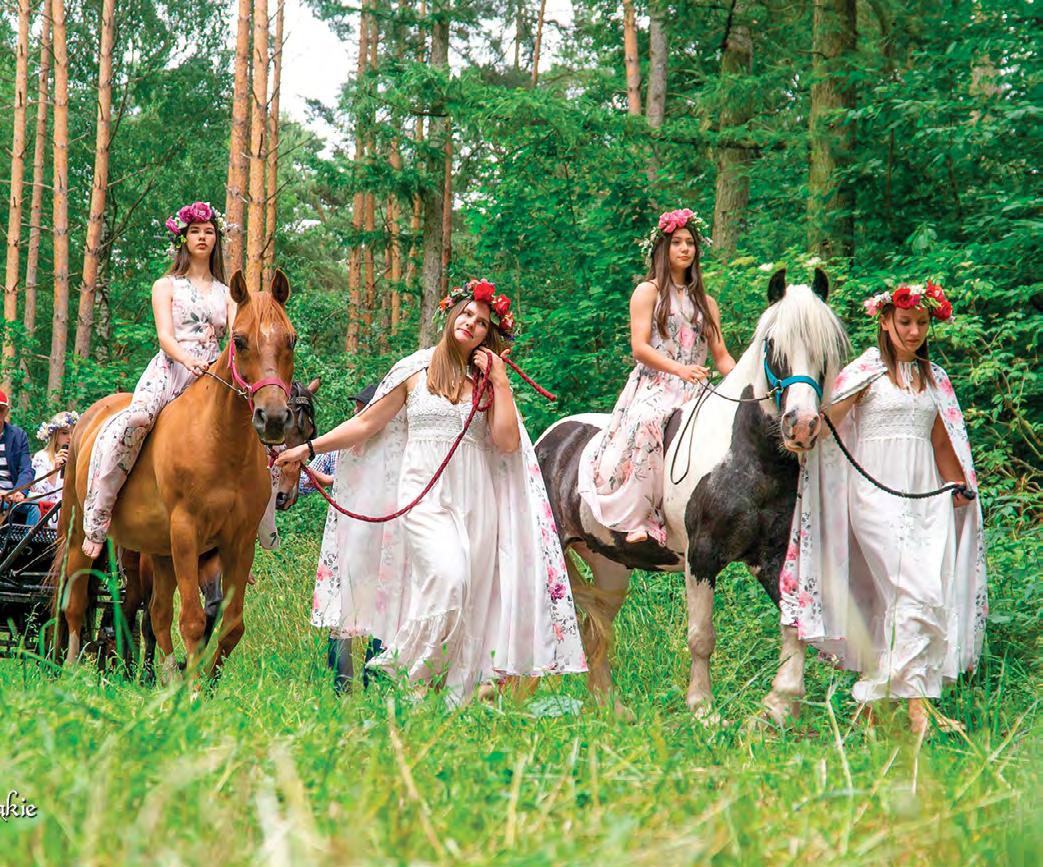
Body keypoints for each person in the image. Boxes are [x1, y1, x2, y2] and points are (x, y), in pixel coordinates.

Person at [276, 278, 586, 704]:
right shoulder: (414, 370)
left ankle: (455, 697)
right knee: (449, 577)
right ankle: (408, 674)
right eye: (467, 314)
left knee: (472, 597)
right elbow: (366, 424)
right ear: (452, 314)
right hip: (423, 497)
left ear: (488, 336)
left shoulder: (487, 382)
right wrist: (307, 448)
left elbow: (507, 442)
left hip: (477, 501)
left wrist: (500, 381)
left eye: (482, 322)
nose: (471, 323)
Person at [779, 281, 987, 736]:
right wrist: (805, 431)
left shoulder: (934, 379)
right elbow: (827, 423)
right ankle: (916, 709)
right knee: (914, 590)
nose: (913, 331)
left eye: (921, 323)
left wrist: (957, 487)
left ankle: (880, 705)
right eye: (905, 322)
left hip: (925, 497)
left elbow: (940, 442)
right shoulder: (865, 371)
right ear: (886, 322)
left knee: (921, 595)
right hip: (874, 496)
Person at [81, 201, 235, 557]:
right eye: (195, 231)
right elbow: (165, 336)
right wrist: (188, 359)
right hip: (173, 367)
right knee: (136, 419)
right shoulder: (166, 285)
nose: (202, 237)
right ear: (183, 238)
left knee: (257, 433)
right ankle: (99, 516)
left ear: (216, 239)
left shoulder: (226, 294)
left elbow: (235, 336)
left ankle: (254, 526)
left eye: (208, 232)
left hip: (215, 374)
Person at [578, 208, 736, 545]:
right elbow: (639, 348)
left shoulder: (707, 303)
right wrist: (679, 369)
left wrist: (744, 387)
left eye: (690, 242)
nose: (685, 248)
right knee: (647, 422)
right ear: (663, 249)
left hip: (697, 386)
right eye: (677, 242)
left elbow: (721, 356)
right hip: (656, 383)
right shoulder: (647, 292)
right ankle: (642, 517)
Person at [31, 411, 79, 527]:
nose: (70, 437)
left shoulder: (79, 457)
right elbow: (41, 494)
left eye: (73, 433)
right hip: (51, 510)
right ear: (55, 434)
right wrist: (55, 469)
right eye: (64, 433)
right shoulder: (42, 457)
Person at [0, 391, 40, 526]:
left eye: (0, 410)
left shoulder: (18, 435)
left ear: (6, 412)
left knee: (34, 508)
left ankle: (25, 540)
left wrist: (20, 490)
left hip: (11, 495)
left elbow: (26, 469)